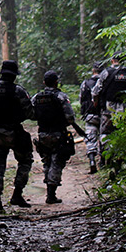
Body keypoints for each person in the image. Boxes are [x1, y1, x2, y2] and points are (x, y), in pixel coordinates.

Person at [0, 60, 35, 214]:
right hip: (14, 131)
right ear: (14, 76)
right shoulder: (18, 91)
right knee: (26, 160)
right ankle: (17, 194)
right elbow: (30, 113)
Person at [31, 70, 85, 204]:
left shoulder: (36, 97)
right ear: (56, 82)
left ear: (44, 82)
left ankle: (50, 191)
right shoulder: (61, 96)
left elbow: (31, 114)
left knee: (47, 162)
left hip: (42, 134)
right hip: (58, 133)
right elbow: (70, 117)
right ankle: (51, 194)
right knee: (57, 162)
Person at [92, 53, 126, 148]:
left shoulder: (106, 72)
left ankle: (105, 154)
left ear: (112, 60)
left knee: (105, 133)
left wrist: (95, 103)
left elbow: (96, 91)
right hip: (125, 109)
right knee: (124, 132)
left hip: (109, 108)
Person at [78, 61, 104, 174]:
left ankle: (92, 161)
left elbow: (81, 98)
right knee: (105, 137)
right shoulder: (105, 81)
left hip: (90, 114)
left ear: (93, 70)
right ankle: (103, 161)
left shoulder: (86, 83)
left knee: (90, 138)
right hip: (104, 114)